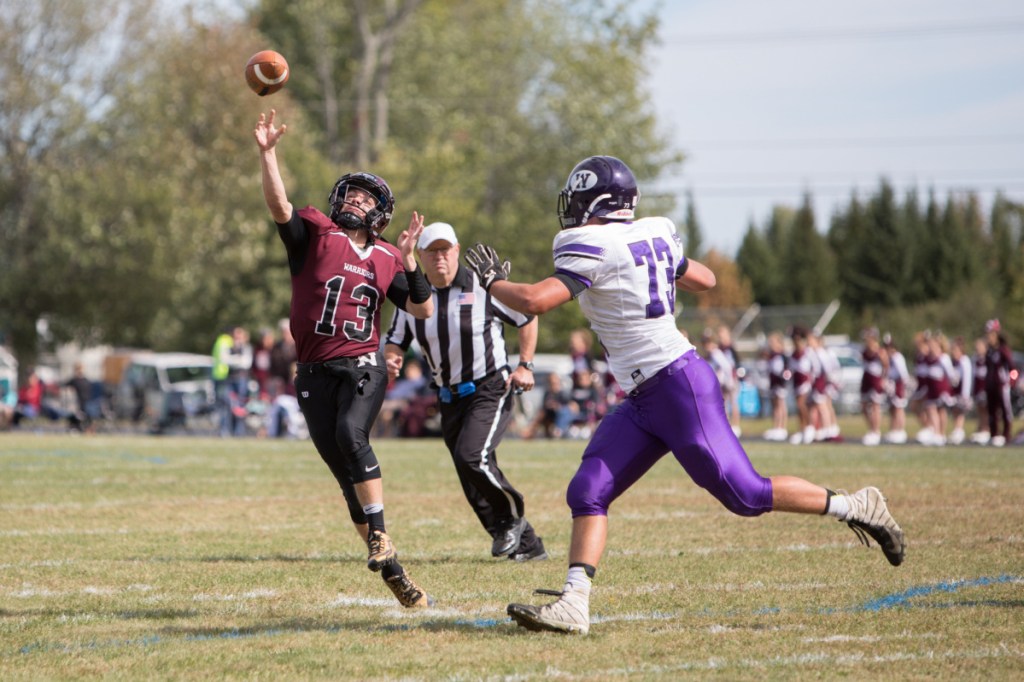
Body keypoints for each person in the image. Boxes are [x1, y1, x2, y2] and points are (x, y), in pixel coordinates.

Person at [464, 155, 906, 635]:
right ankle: (574, 603)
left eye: (577, 200)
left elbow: (534, 300)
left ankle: (856, 505)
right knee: (588, 489)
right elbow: (707, 279)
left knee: (746, 494)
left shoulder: (592, 243)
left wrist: (493, 282)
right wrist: (653, 268)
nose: (570, 210)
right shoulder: (649, 233)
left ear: (596, 202)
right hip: (643, 395)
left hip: (678, 384)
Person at [254, 108, 436, 607]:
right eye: (351, 193)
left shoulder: (385, 257)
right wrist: (268, 154)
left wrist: (411, 259)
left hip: (361, 363)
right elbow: (278, 204)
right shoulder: (316, 236)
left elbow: (421, 306)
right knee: (346, 479)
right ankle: (394, 569)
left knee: (350, 434)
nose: (356, 200)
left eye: (367, 197)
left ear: (380, 211)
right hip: (312, 373)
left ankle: (379, 534)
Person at [384, 222, 547, 562]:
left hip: (490, 386)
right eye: (432, 251)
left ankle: (511, 516)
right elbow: (397, 339)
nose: (440, 257)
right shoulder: (411, 295)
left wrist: (525, 365)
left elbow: (527, 315)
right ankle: (529, 548)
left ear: (457, 250)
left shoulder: (483, 286)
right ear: (421, 257)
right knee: (469, 477)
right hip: (447, 396)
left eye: (446, 249)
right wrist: (392, 357)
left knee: (472, 456)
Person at [983, 319, 1016, 447]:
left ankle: (1006, 436)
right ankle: (994, 435)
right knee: (992, 411)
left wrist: (1011, 382)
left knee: (1005, 411)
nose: (988, 337)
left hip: (1002, 386)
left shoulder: (1003, 350)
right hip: (990, 386)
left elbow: (1013, 369)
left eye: (991, 334)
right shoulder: (990, 351)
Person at [860, 329, 888, 446]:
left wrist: (884, 379)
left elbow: (886, 366)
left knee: (875, 406)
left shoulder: (880, 352)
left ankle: (876, 431)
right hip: (866, 379)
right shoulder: (864, 351)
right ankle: (871, 428)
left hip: (876, 380)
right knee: (863, 406)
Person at [762, 331, 790, 442]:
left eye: (773, 343)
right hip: (773, 383)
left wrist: (782, 380)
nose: (771, 345)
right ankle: (776, 426)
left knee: (780, 405)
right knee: (775, 406)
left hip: (780, 383)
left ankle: (781, 427)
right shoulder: (772, 356)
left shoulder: (782, 356)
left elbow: (786, 371)